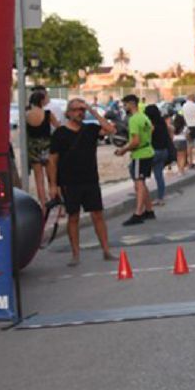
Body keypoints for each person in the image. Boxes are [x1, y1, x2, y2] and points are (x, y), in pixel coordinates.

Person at [48, 98, 117, 266]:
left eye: (82, 109)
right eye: (77, 109)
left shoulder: (91, 129)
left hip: (90, 179)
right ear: (69, 112)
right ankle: (75, 254)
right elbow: (52, 160)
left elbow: (110, 130)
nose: (80, 112)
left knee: (98, 214)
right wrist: (53, 185)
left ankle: (106, 250)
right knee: (73, 217)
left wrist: (93, 111)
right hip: (69, 182)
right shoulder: (60, 133)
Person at [114, 94, 155, 226]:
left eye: (125, 105)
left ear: (131, 104)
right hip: (148, 151)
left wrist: (123, 150)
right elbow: (151, 129)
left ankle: (138, 213)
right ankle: (149, 210)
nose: (124, 107)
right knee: (142, 182)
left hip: (140, 154)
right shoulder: (144, 117)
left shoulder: (133, 120)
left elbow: (135, 141)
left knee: (139, 183)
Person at [24, 89, 60, 214]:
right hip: (47, 146)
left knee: (39, 179)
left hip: (33, 147)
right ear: (41, 100)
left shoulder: (26, 114)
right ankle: (56, 203)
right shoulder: (48, 113)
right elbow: (58, 128)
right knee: (52, 178)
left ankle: (43, 207)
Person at [145, 104, 172, 205]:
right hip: (164, 151)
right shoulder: (162, 122)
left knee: (139, 174)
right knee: (159, 176)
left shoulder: (150, 124)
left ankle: (143, 195)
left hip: (154, 152)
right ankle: (160, 198)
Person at [181, 93, 195, 166]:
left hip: (187, 127)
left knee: (189, 146)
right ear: (193, 98)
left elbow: (182, 115)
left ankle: (190, 162)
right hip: (194, 127)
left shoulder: (184, 106)